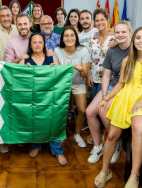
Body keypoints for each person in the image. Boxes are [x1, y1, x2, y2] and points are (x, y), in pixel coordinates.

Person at [94, 27, 142, 188]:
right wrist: (106, 98)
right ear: (133, 41)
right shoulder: (128, 61)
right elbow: (121, 84)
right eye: (138, 38)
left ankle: (134, 175)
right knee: (112, 135)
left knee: (137, 127)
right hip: (126, 97)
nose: (141, 41)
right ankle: (105, 171)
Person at [86, 21, 132, 164]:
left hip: (127, 88)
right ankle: (98, 146)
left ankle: (114, 139)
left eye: (123, 32)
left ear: (130, 33)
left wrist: (105, 100)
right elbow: (106, 75)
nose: (120, 35)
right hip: (113, 85)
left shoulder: (136, 49)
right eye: (117, 32)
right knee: (89, 111)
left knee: (102, 109)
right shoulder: (112, 50)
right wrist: (104, 95)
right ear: (114, 34)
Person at [18, 33, 66, 166]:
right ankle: (36, 146)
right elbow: (19, 80)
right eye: (34, 42)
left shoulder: (51, 57)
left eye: (40, 42)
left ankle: (58, 151)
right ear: (30, 45)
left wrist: (54, 70)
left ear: (44, 44)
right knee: (33, 121)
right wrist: (23, 69)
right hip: (32, 99)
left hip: (50, 99)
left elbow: (60, 77)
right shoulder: (26, 60)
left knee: (54, 121)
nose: (37, 44)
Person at [54, 26, 89, 148]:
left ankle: (77, 134)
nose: (69, 38)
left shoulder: (83, 50)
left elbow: (85, 75)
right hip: (63, 84)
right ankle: (59, 134)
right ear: (62, 38)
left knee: (82, 110)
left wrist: (81, 70)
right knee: (59, 109)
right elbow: (57, 73)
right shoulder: (57, 50)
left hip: (79, 83)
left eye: (72, 35)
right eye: (66, 36)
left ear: (76, 37)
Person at [87, 8, 115, 100]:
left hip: (108, 79)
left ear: (107, 20)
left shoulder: (114, 37)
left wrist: (117, 41)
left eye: (102, 20)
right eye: (97, 20)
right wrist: (88, 76)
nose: (100, 23)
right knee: (92, 104)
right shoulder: (92, 37)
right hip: (93, 78)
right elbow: (88, 58)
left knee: (101, 106)